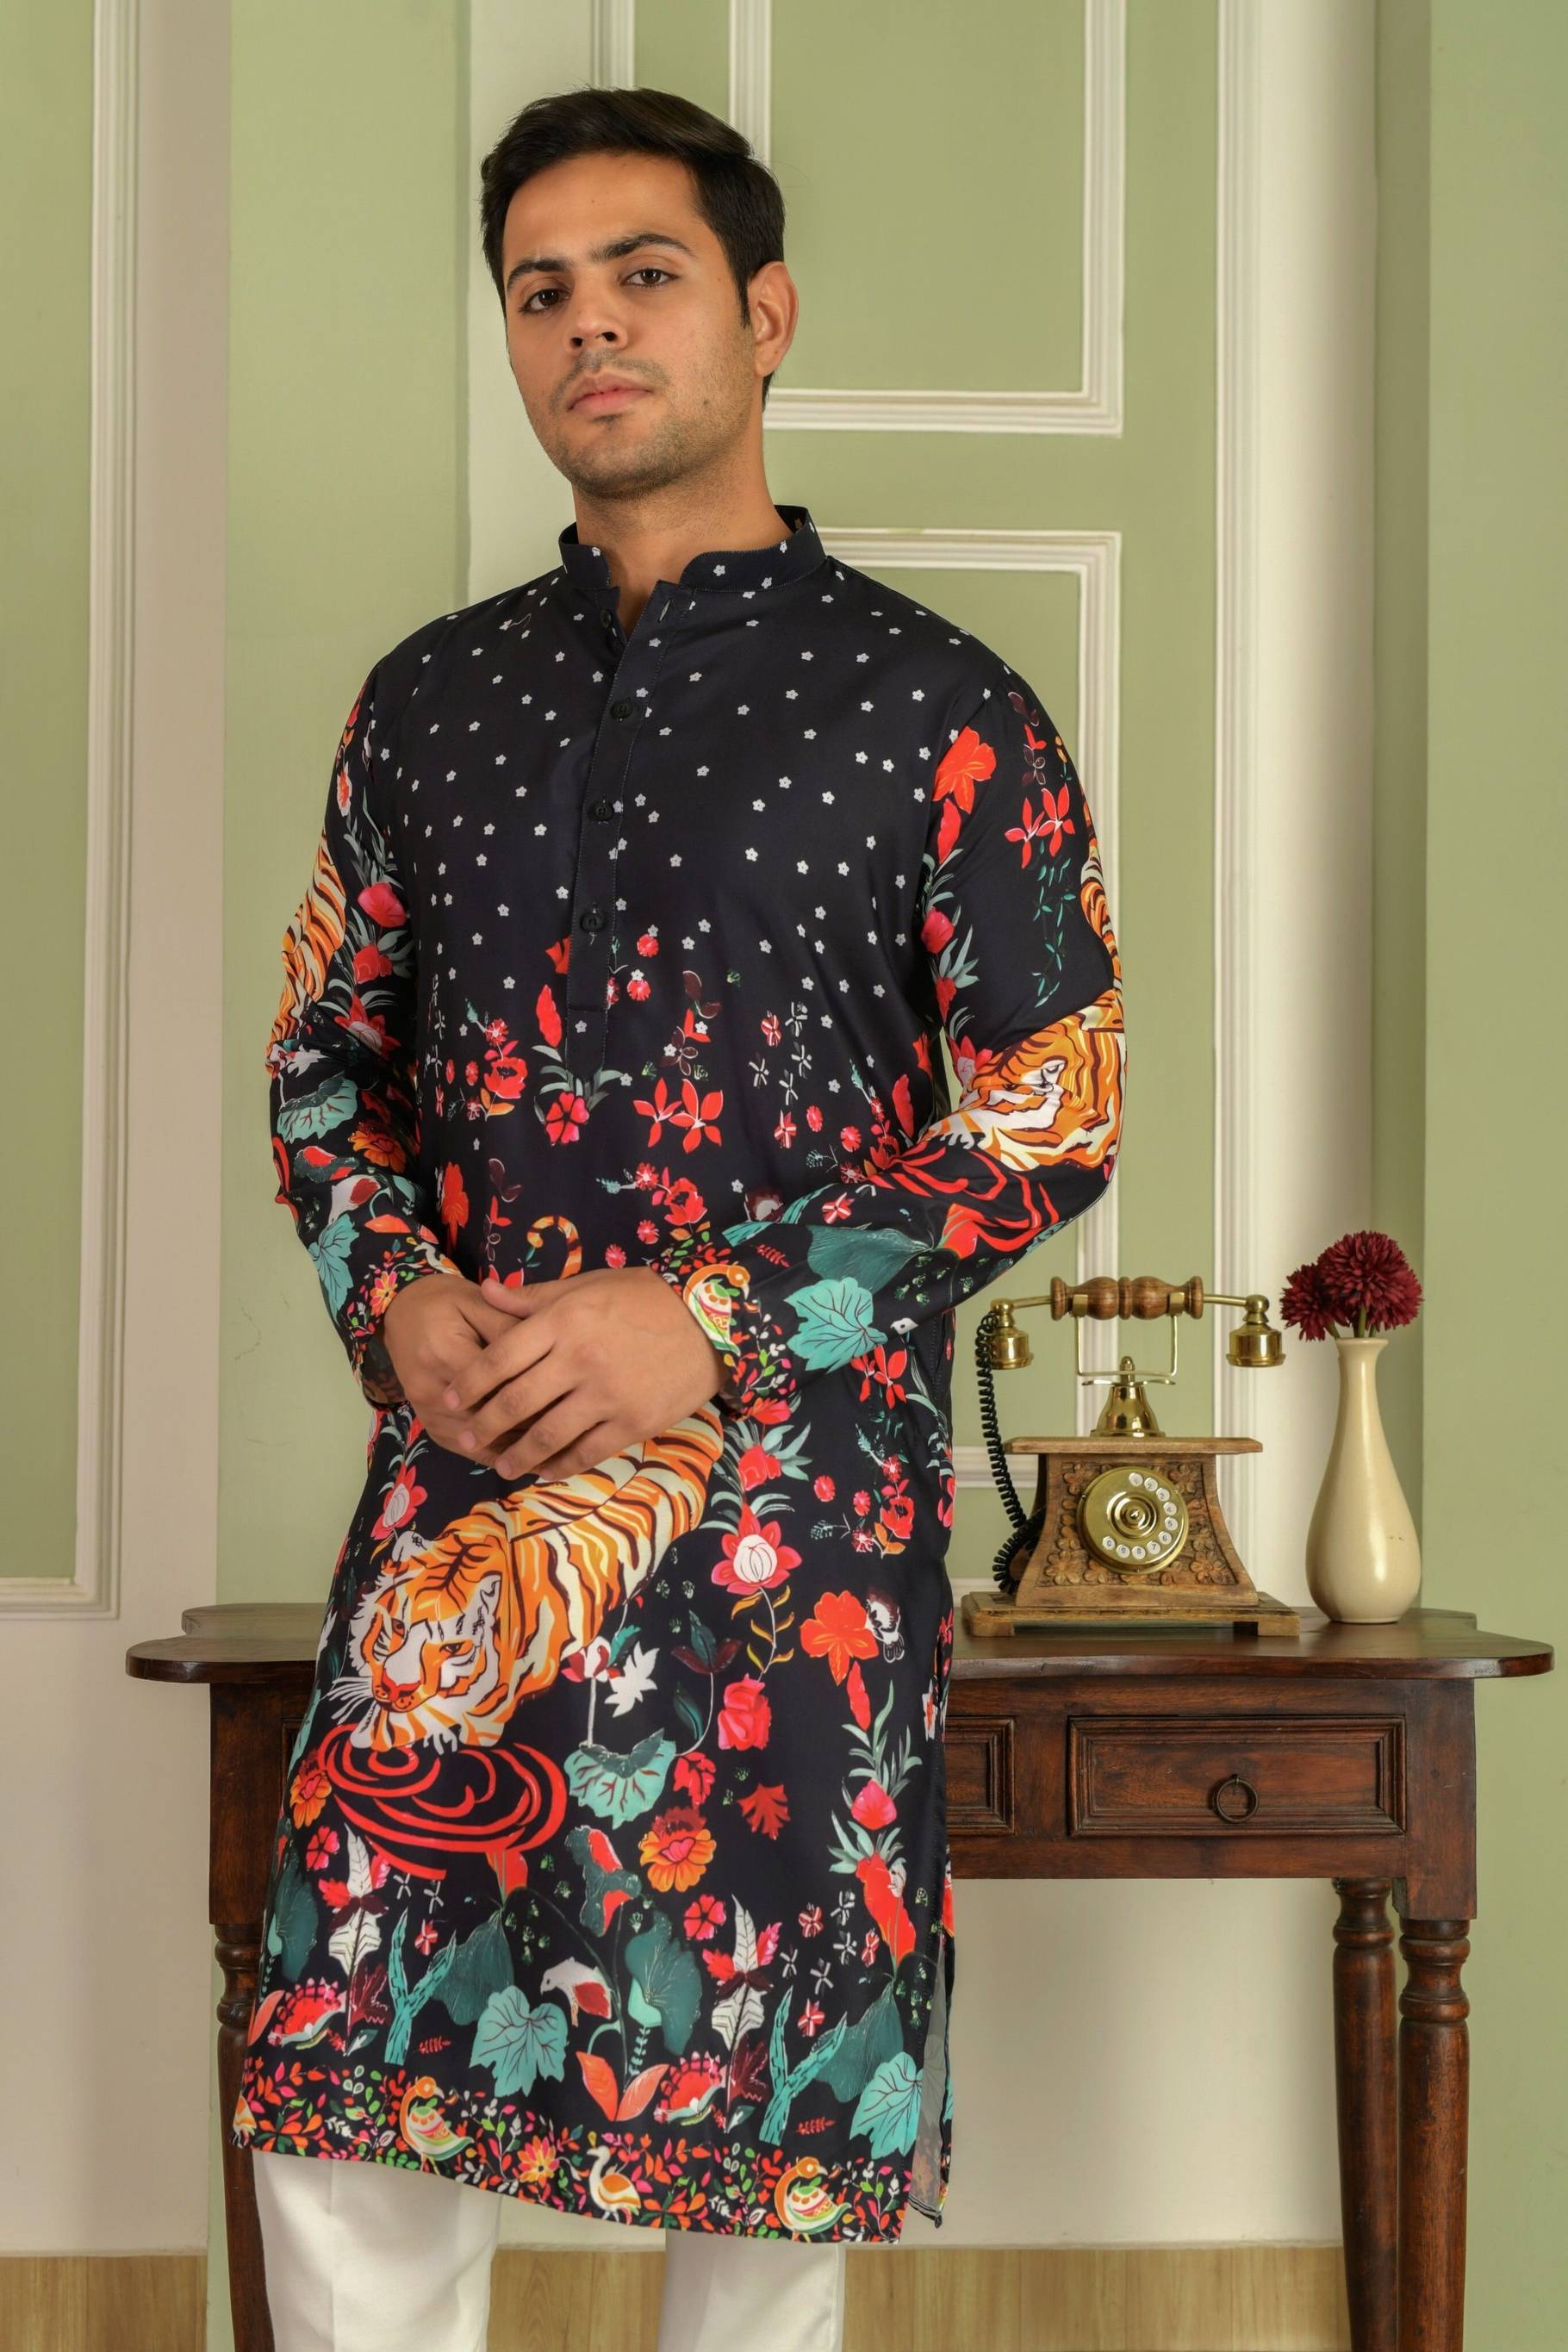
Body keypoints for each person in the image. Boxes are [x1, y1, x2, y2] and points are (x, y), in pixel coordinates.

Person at [232, 81, 1126, 2352]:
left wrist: (712, 1314)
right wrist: (393, 1294)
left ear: (765, 312)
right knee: (344, 2102)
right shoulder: (428, 707)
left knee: (767, 2135)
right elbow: (326, 1058)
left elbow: (1051, 1109)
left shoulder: (942, 711)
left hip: (791, 1539)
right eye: (540, 291)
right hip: (467, 1514)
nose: (589, 326)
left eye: (643, 274)